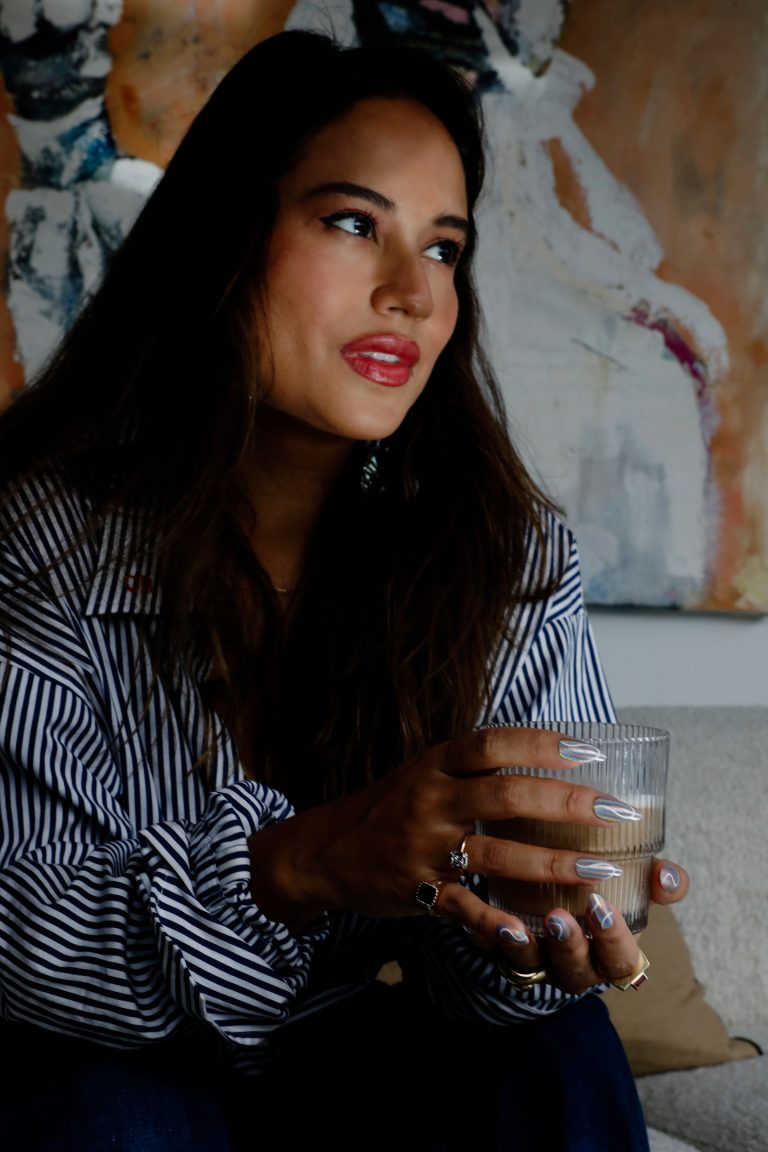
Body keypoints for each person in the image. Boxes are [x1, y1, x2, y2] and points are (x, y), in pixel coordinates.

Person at [0, 28, 688, 1152]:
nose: (413, 293)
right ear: (228, 240)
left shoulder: (504, 556)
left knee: (552, 1052)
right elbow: (24, 944)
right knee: (109, 1098)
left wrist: (523, 939)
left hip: (365, 1074)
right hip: (104, 1070)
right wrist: (303, 862)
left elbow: (497, 980)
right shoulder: (38, 544)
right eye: (354, 224)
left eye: (446, 248)